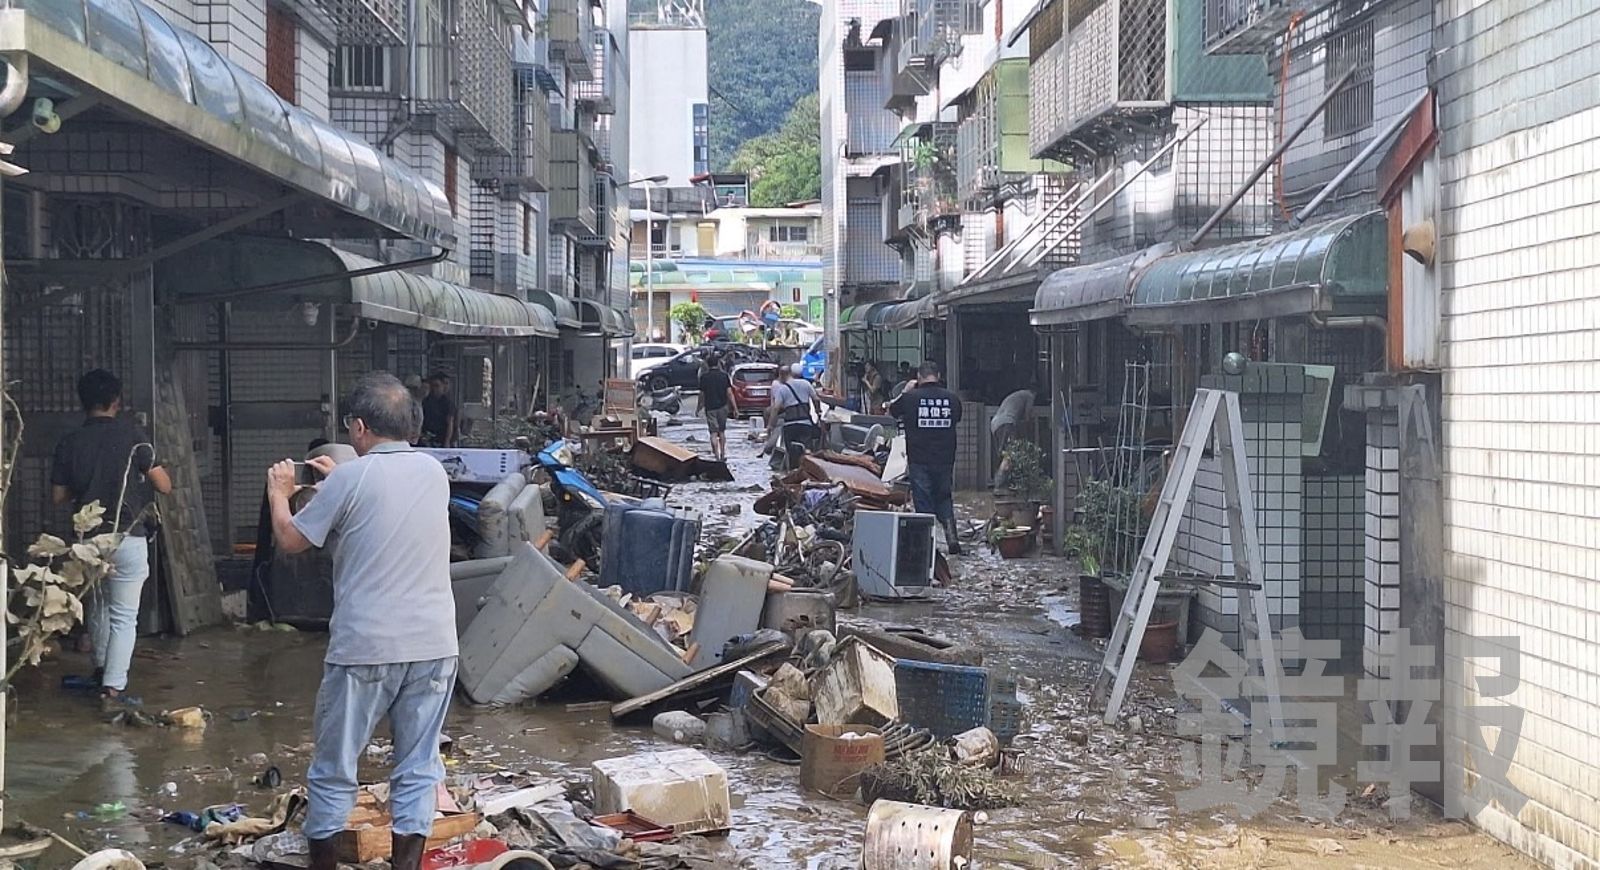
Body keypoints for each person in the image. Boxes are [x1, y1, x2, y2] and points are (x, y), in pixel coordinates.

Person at [266, 372, 457, 870]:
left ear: (357, 427)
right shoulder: (434, 473)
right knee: (417, 768)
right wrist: (340, 480)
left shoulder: (350, 479)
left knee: (334, 770)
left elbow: (291, 541)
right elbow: (382, 502)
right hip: (434, 645)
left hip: (366, 647)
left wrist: (280, 493)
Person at [51, 369, 173, 707]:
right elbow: (164, 485)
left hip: (87, 539)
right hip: (127, 537)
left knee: (99, 605)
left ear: (83, 403)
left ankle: (100, 670)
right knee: (123, 615)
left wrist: (87, 482)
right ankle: (113, 688)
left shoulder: (70, 442)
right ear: (116, 402)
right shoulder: (134, 436)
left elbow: (58, 497)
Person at [889, 361, 963, 555]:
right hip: (945, 459)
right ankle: (952, 539)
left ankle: (926, 548)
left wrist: (906, 390)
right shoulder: (952, 398)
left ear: (919, 377)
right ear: (938, 375)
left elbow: (892, 411)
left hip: (919, 459)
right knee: (944, 497)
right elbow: (957, 418)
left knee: (923, 501)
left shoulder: (910, 398)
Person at [768, 364, 821, 469]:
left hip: (790, 425)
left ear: (782, 375)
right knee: (807, 448)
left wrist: (770, 425)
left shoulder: (782, 389)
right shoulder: (805, 384)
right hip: (805, 423)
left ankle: (793, 471)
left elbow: (775, 408)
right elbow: (816, 399)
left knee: (791, 451)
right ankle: (808, 468)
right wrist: (817, 411)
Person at [989, 389, 1035, 490]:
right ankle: (1000, 484)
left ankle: (1002, 482)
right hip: (1007, 423)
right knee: (1009, 455)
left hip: (995, 424)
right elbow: (1027, 416)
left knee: (1003, 454)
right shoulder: (1030, 396)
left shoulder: (1016, 395)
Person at [697, 353, 738, 462]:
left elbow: (702, 395)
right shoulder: (724, 376)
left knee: (713, 433)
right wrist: (735, 408)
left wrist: (698, 408)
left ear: (707, 364)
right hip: (723, 407)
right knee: (722, 431)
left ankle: (716, 456)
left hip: (710, 408)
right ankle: (723, 453)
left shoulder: (704, 377)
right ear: (718, 363)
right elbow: (729, 393)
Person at [419, 373, 456, 447]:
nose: (435, 389)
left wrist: (447, 441)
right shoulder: (425, 401)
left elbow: (450, 423)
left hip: (441, 438)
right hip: (425, 437)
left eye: (437, 386)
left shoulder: (447, 403)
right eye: (432, 386)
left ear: (443, 386)